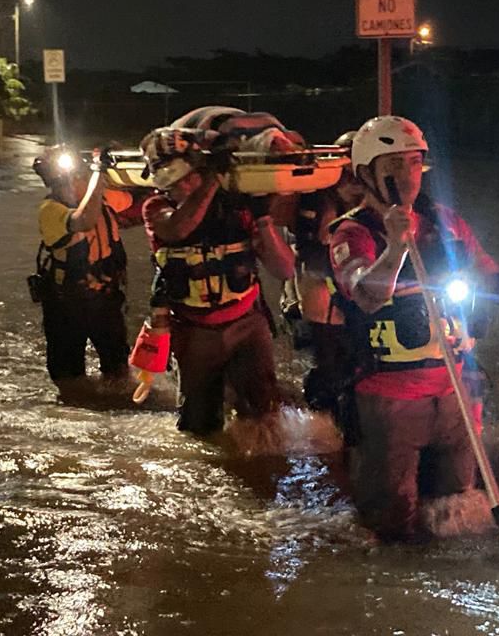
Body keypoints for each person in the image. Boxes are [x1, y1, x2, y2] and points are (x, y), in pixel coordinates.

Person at [328, 115, 499, 542]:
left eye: (413, 163)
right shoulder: (351, 233)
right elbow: (367, 294)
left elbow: (497, 285)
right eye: (393, 165)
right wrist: (394, 246)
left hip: (454, 393)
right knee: (391, 520)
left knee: (456, 509)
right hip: (390, 399)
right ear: (366, 174)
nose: (406, 176)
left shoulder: (446, 224)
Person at [141, 126, 296, 435]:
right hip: (195, 330)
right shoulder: (157, 208)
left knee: (263, 415)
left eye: (187, 177)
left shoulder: (237, 207)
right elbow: (178, 230)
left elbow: (284, 269)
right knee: (199, 424)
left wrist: (264, 219)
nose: (180, 186)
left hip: (247, 323)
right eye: (172, 181)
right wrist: (212, 177)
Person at [33, 147, 142, 390]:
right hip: (66, 305)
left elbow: (137, 199)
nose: (83, 179)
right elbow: (84, 220)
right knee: (69, 380)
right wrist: (97, 171)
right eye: (80, 175)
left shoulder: (102, 199)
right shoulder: (50, 210)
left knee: (118, 371)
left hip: (104, 298)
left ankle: (119, 410)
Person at [281, 131, 364, 424]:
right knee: (329, 356)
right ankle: (323, 417)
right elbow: (323, 235)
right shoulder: (315, 194)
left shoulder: (373, 196)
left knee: (356, 354)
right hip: (318, 284)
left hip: (355, 285)